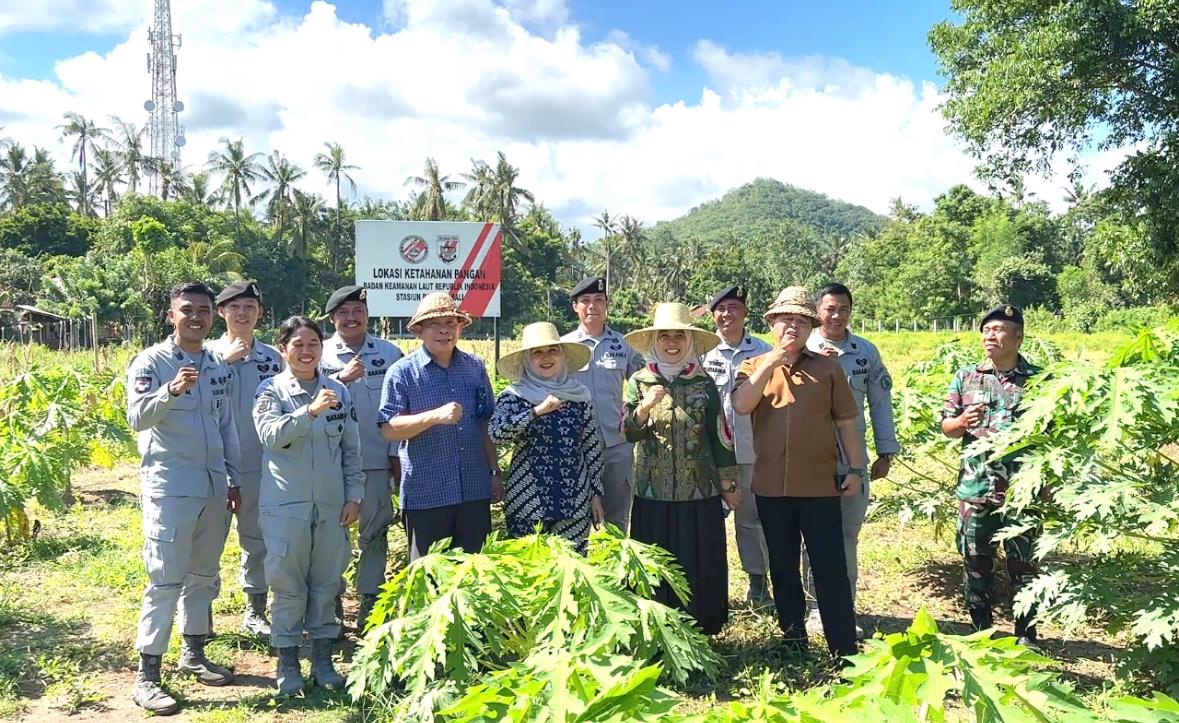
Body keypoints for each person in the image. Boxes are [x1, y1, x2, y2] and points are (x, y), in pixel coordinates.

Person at [732, 286, 866, 659]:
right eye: (785, 320)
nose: (793, 327)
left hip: (820, 486)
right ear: (771, 323)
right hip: (771, 487)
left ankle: (843, 647)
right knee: (783, 567)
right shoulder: (752, 366)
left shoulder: (828, 368)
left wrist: (856, 469)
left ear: (811, 327)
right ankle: (793, 639)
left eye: (801, 321)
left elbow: (847, 422)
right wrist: (772, 361)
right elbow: (741, 405)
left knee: (829, 567)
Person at [125, 282, 240, 714]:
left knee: (204, 576)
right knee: (165, 580)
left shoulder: (216, 364)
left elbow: (226, 426)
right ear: (171, 316)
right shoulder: (151, 362)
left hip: (213, 486)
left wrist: (233, 479)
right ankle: (147, 674)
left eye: (204, 310)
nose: (196, 317)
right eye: (187, 310)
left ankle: (194, 653)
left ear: (213, 316)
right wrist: (170, 391)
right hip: (171, 486)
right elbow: (137, 418)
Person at [254, 316, 363, 695]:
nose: (306, 351)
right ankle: (287, 662)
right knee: (288, 587)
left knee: (326, 585)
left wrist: (354, 495)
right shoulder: (270, 391)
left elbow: (351, 449)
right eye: (297, 344)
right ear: (282, 349)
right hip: (286, 508)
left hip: (332, 507)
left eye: (313, 344)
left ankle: (323, 660)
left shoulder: (339, 391)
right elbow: (270, 435)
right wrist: (309, 412)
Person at [622, 302, 741, 635]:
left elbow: (720, 436)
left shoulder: (704, 383)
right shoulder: (639, 382)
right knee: (655, 560)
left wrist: (728, 485)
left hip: (698, 491)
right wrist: (644, 407)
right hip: (652, 490)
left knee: (697, 556)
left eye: (679, 336)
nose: (672, 342)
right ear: (654, 341)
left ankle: (701, 627)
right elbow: (628, 432)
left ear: (689, 341)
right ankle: (655, 629)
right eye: (665, 336)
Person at [802, 282, 901, 637]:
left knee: (847, 535)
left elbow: (880, 403)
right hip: (810, 458)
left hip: (852, 459)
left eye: (843, 309)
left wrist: (886, 451)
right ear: (817, 311)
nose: (836, 316)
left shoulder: (865, 352)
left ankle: (843, 607)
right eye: (829, 309)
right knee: (812, 537)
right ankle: (815, 609)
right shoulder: (802, 348)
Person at [941, 304, 1041, 646]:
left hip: (1022, 491)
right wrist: (959, 422)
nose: (990, 336)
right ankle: (981, 632)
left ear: (1018, 337)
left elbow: (1055, 436)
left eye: (998, 330)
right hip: (976, 487)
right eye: (986, 330)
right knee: (976, 562)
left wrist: (1048, 485)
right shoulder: (966, 377)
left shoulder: (1039, 380)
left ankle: (1026, 635)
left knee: (1024, 565)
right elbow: (947, 426)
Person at [377, 292, 503, 561]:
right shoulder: (403, 372)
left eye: (450, 323)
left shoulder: (475, 367)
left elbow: (485, 422)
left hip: (473, 489)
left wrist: (494, 471)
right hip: (427, 493)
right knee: (429, 573)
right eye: (435, 324)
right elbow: (388, 428)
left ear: (460, 328)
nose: (444, 330)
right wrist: (434, 416)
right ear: (419, 331)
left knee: (474, 572)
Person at [319, 284, 403, 629]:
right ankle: (332, 601)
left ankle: (370, 600)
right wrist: (340, 379)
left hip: (375, 460)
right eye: (343, 313)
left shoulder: (390, 353)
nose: (351, 318)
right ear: (332, 319)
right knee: (331, 535)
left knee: (375, 533)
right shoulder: (317, 352)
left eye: (358, 311)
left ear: (368, 315)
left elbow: (401, 408)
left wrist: (396, 458)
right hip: (328, 464)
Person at [208, 279, 283, 638]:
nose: (242, 313)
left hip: (259, 464)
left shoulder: (273, 358)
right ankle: (200, 614)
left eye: (250, 307)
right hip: (212, 463)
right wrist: (224, 363)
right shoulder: (205, 354)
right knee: (207, 542)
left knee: (257, 540)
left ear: (260, 313)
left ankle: (255, 610)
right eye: (235, 307)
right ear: (221, 312)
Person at [489, 322, 605, 551]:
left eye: (553, 350)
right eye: (537, 353)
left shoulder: (578, 396)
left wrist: (596, 494)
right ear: (526, 360)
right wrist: (535, 412)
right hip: (528, 502)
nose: (546, 357)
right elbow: (496, 433)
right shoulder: (514, 396)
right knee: (529, 567)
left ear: (562, 356)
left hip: (574, 502)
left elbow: (591, 446)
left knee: (570, 567)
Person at [701, 286, 774, 606]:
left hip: (750, 450)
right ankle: (707, 583)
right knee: (706, 520)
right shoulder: (702, 351)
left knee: (750, 520)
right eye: (720, 308)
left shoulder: (764, 351)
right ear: (712, 315)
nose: (727, 314)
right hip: (708, 454)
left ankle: (758, 582)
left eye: (733, 307)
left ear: (745, 312)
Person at [562, 277, 645, 533]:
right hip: (575, 446)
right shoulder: (564, 347)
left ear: (607, 304)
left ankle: (616, 560)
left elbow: (643, 382)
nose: (592, 306)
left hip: (616, 444)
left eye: (599, 300)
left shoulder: (624, 344)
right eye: (585, 301)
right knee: (574, 519)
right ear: (575, 306)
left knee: (617, 521)